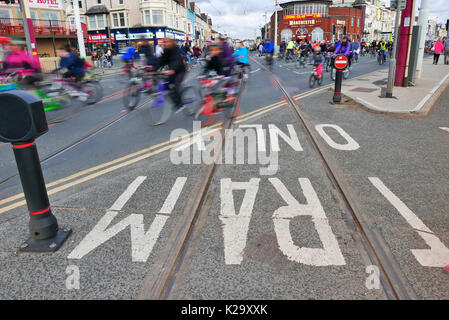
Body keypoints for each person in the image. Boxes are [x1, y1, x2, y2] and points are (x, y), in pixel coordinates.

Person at [153, 37, 186, 111]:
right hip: (172, 71)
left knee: (175, 87)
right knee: (166, 84)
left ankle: (180, 105)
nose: (166, 43)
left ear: (172, 42)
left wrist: (173, 69)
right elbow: (161, 60)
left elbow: (177, 60)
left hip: (180, 70)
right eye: (165, 42)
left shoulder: (176, 49)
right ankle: (175, 98)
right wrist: (153, 69)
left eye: (168, 42)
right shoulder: (166, 50)